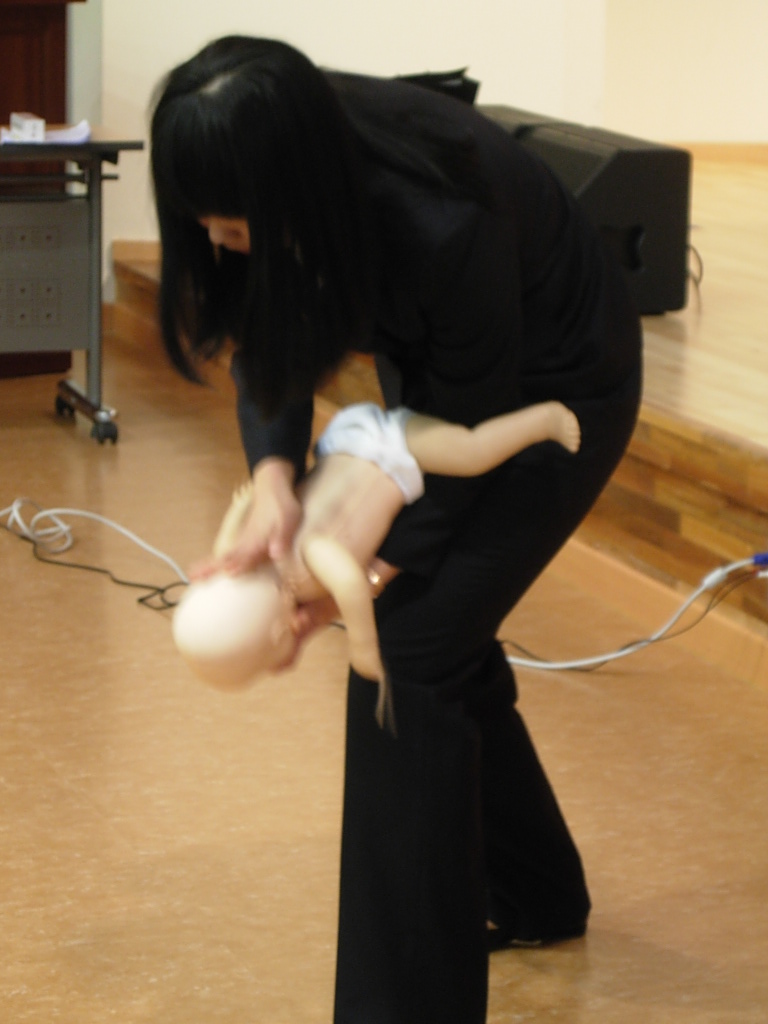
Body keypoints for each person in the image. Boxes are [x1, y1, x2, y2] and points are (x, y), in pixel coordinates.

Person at [150, 35, 642, 1024]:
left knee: (409, 652)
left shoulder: (440, 217)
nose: (217, 241)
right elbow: (267, 331)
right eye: (201, 222)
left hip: (555, 394)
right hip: (447, 378)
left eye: (233, 223)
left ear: (291, 193)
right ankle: (538, 890)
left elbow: (472, 422)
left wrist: (372, 569)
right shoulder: (280, 151)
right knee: (437, 627)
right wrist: (275, 475)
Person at [172, 398, 581, 731]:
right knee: (466, 451)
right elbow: (235, 518)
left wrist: (362, 648)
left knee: (470, 452)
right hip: (344, 443)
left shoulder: (303, 565)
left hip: (386, 447)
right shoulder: (248, 555)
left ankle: (541, 420)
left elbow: (350, 583)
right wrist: (240, 508)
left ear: (279, 630)